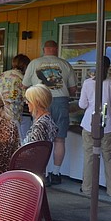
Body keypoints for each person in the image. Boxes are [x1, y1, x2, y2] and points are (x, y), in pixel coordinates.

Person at [22, 40, 77, 184]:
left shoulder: (34, 63)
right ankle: (56, 173)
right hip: (60, 101)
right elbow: (72, 89)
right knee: (60, 139)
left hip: (40, 100)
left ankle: (42, 172)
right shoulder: (65, 64)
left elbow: (25, 85)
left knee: (40, 138)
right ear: (56, 49)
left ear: (44, 49)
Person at [78, 56, 111, 197]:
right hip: (108, 124)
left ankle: (87, 188)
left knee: (89, 157)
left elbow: (82, 105)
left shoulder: (87, 83)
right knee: (109, 159)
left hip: (89, 123)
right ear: (108, 67)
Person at [0, 53, 31, 124]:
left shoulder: (2, 75)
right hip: (14, 112)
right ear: (25, 66)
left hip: (0, 111)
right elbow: (27, 98)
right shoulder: (22, 79)